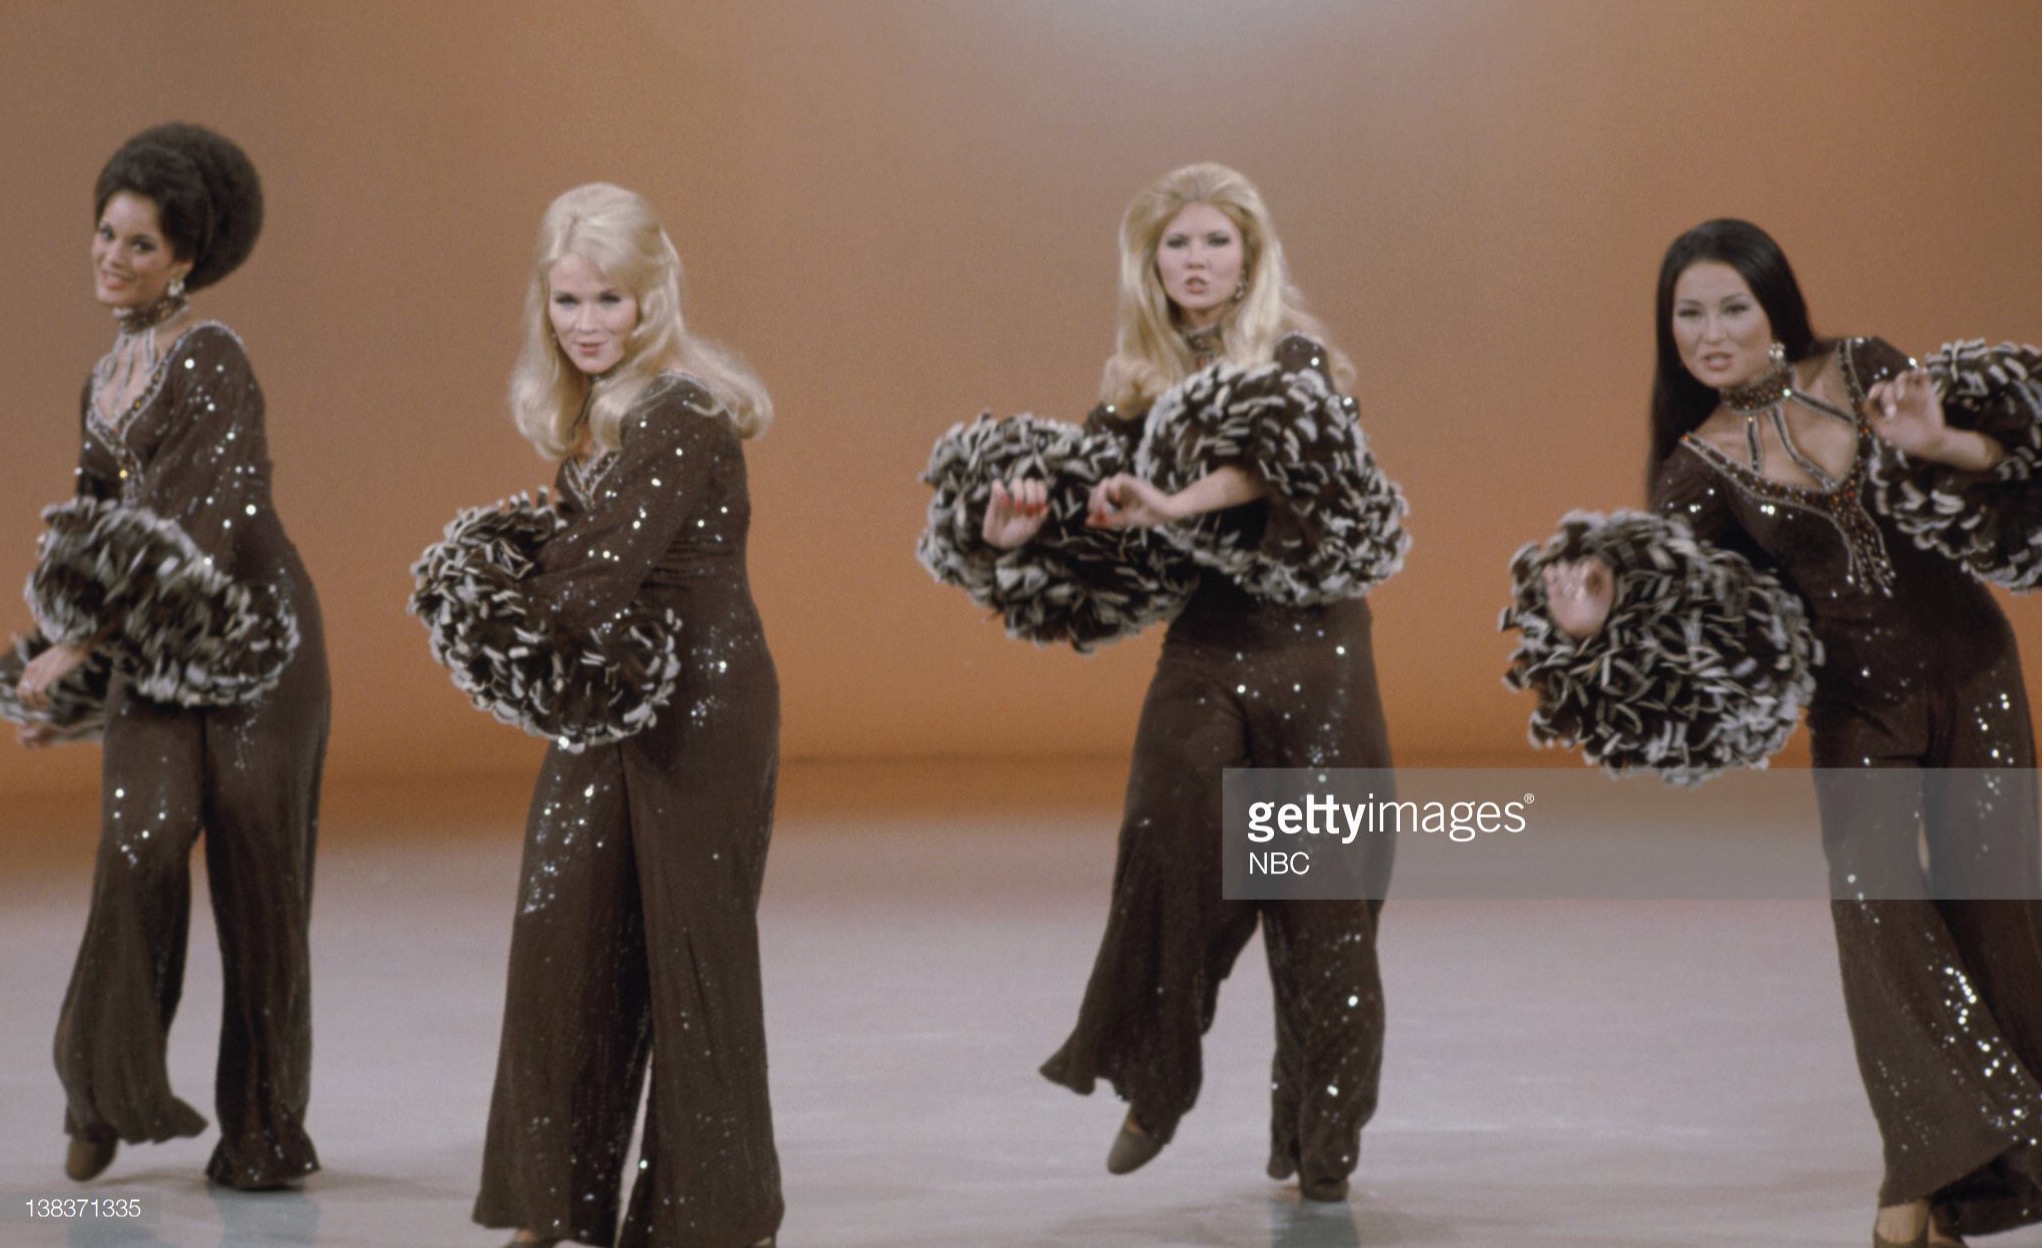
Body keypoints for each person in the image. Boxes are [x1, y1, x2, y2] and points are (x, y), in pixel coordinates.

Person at [1505, 217, 2042, 1247]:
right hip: (1856, 712)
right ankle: (1923, 1181)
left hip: (1975, 672)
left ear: (1773, 307)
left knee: (2003, 911)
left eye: (1730, 308)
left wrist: (1936, 441)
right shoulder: (1695, 467)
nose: (1710, 333)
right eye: (1687, 316)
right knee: (1878, 923)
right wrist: (1592, 614)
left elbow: (2000, 476)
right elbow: (1676, 606)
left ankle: (1978, 1186)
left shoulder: (1868, 368)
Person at [918, 162, 1409, 1201]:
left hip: (1313, 654)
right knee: (1165, 855)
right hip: (1204, 651)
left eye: (1214, 241)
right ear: (1149, 264)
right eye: (1175, 244)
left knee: (1321, 910)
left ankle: (1321, 1150)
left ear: (1250, 255)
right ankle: (1158, 1075)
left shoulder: (1299, 359)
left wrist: (1179, 498)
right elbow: (1104, 549)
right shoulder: (1128, 391)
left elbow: (1279, 466)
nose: (1195, 261)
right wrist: (1020, 530)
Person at [411, 183, 781, 1248]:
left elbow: (583, 581)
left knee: (691, 954)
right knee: (563, 935)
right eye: (567, 298)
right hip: (611, 696)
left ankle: (716, 1217)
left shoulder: (677, 412)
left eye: (608, 299)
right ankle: (550, 1203)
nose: (585, 322)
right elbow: (578, 581)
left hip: (701, 705)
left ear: (653, 298)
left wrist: (475, 583)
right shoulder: (601, 410)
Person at [0, 123, 326, 1190]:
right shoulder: (103, 382)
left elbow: (206, 523)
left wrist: (86, 644)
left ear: (184, 259)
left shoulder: (211, 356)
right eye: (104, 233)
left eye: (140, 245)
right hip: (153, 641)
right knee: (140, 846)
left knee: (257, 871)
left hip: (249, 641)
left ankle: (265, 1131)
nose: (112, 256)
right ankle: (105, 1090)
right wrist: (77, 681)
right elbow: (95, 539)